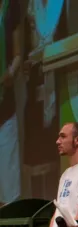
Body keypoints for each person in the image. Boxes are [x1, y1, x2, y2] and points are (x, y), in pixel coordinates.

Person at [0, 0, 22, 204]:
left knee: (9, 182)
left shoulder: (11, 8)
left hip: (4, 109)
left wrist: (9, 74)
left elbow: (18, 54)